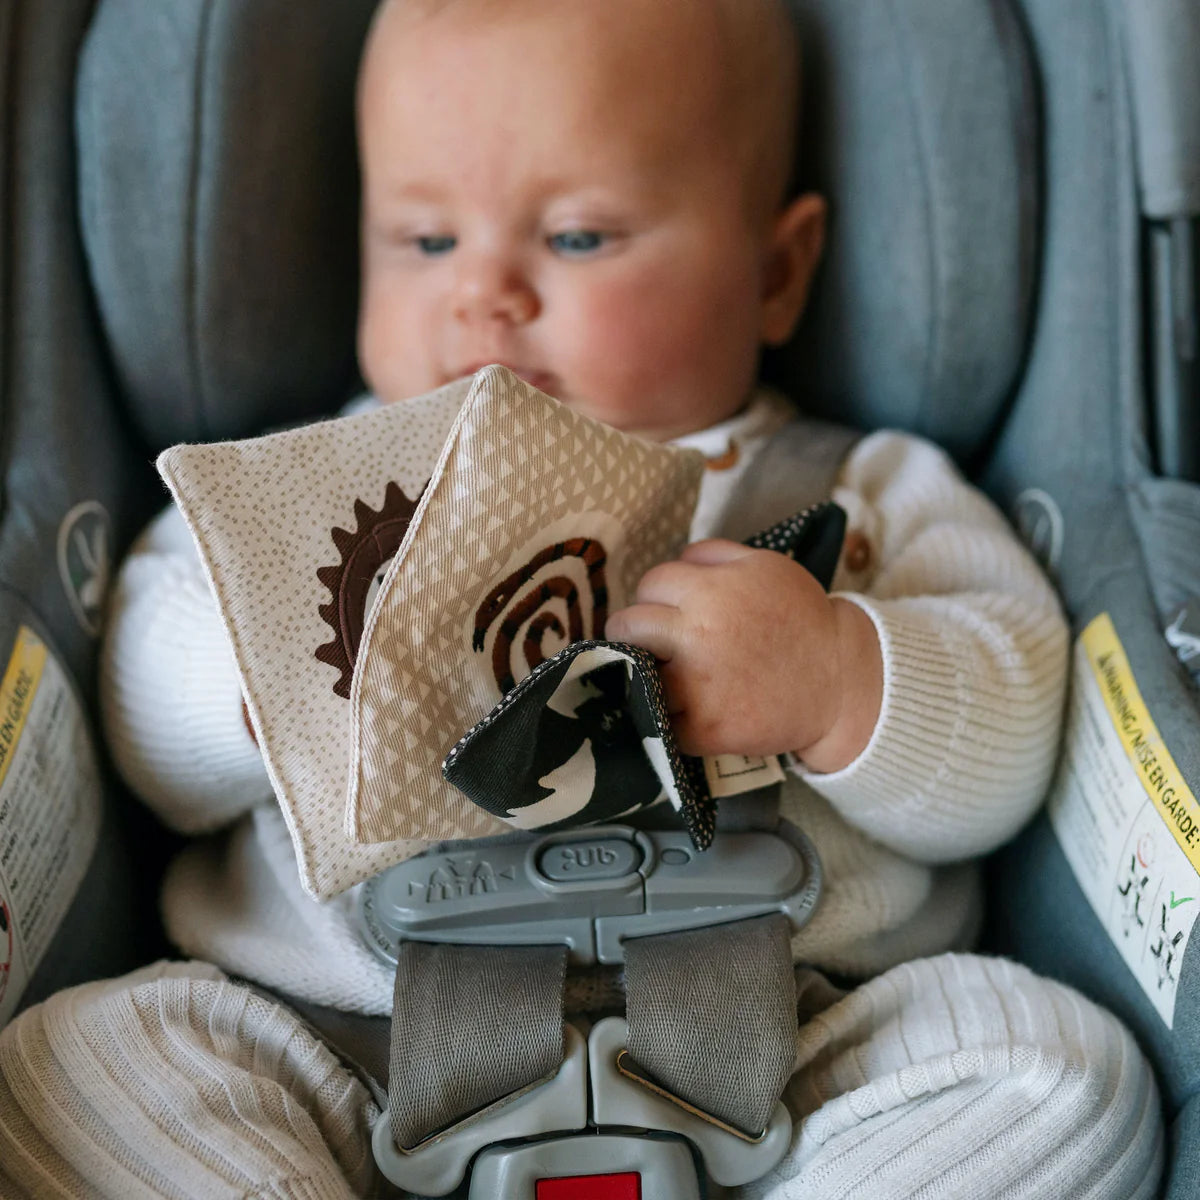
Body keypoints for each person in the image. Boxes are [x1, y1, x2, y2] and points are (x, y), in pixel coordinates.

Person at [0, 1, 1164, 1197]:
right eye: (427, 241)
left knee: (1065, 1077)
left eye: (579, 237)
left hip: (788, 1068)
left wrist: (836, 676)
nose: (487, 296)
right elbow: (139, 699)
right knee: (71, 1066)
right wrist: (266, 681)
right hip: (344, 1056)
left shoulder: (860, 496)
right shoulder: (312, 490)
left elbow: (1020, 725)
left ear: (775, 272)